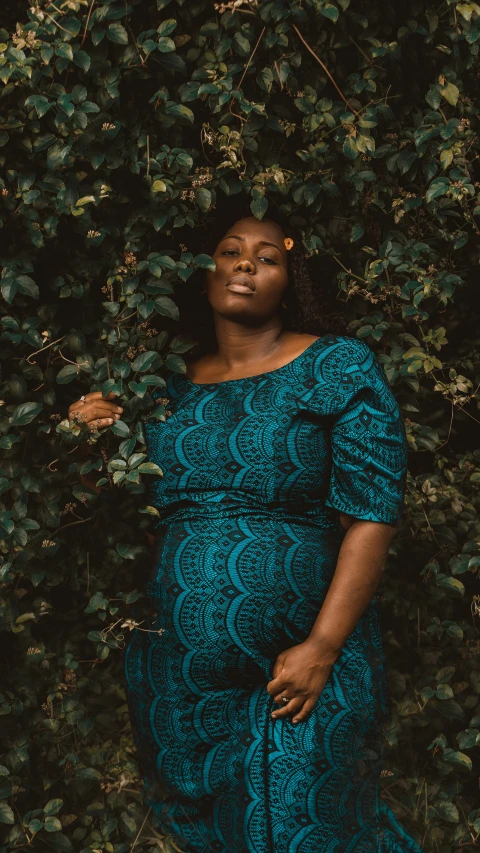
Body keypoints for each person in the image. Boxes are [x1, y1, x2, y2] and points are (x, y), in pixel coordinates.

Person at [69, 214, 424, 853]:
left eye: (267, 258)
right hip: (180, 674)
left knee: (305, 831)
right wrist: (87, 434)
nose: (244, 265)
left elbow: (373, 513)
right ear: (201, 273)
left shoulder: (336, 366)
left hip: (299, 665)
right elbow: (122, 515)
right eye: (230, 252)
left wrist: (322, 647)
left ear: (288, 282)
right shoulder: (162, 388)